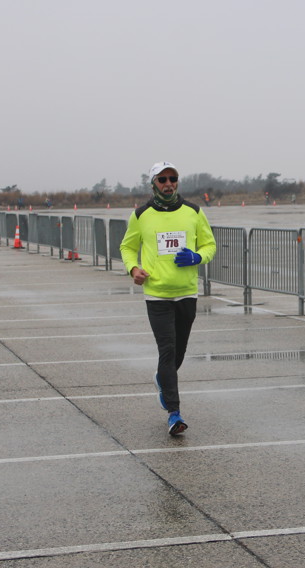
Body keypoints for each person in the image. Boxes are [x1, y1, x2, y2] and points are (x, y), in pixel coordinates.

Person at [120, 161, 216, 436]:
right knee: (168, 350)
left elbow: (209, 245)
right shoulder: (141, 215)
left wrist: (197, 256)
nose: (168, 184)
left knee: (179, 352)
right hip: (157, 295)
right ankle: (174, 413)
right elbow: (127, 247)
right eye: (162, 179)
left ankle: (162, 378)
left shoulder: (193, 212)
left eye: (172, 178)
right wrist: (133, 269)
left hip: (186, 293)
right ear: (153, 184)